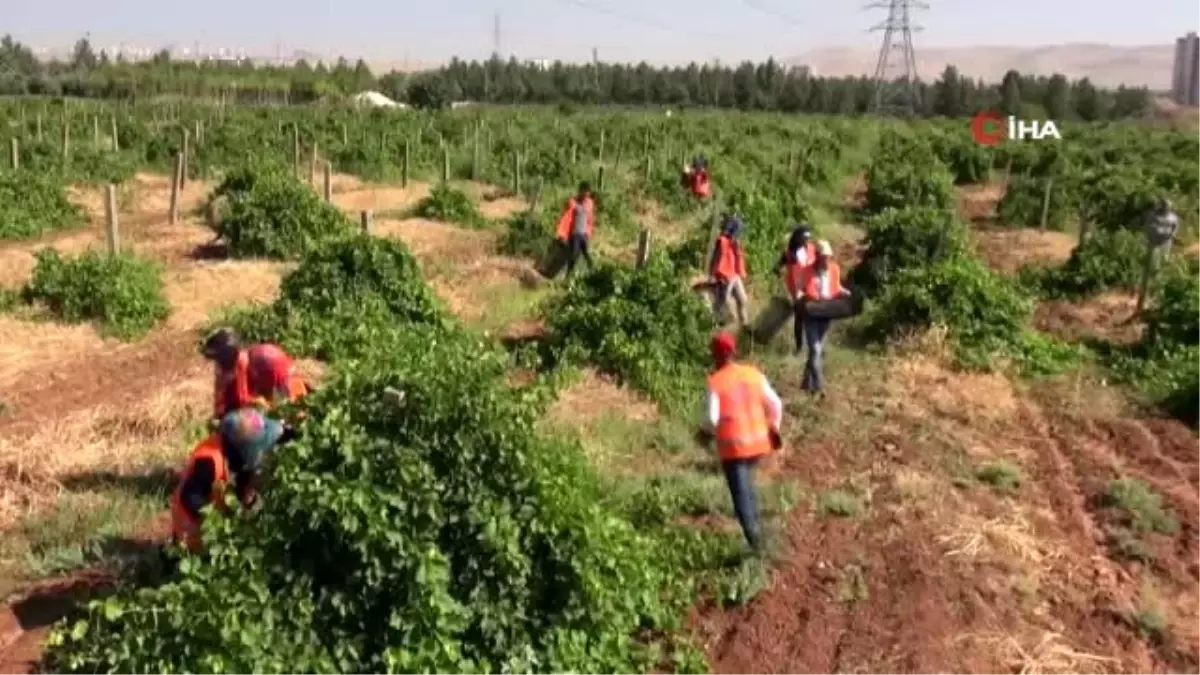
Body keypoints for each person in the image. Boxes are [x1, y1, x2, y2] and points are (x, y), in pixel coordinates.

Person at [699, 331, 783, 553]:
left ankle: (757, 546)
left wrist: (703, 434)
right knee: (748, 486)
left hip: (734, 448)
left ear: (714, 355)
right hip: (759, 444)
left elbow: (710, 419)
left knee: (741, 495)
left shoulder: (715, 382)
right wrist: (774, 427)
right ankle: (759, 533)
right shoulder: (753, 373)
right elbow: (776, 403)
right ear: (734, 351)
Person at [169, 408, 290, 553]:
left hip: (213, 508)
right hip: (193, 529)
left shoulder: (233, 444)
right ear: (245, 450)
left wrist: (289, 433)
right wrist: (218, 523)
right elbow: (190, 497)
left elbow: (273, 432)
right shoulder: (208, 461)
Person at [202, 328, 309, 423]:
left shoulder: (244, 363)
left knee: (285, 415)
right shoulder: (240, 361)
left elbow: (242, 400)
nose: (217, 364)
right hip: (275, 379)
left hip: (281, 381)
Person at [798, 241, 850, 395]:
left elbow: (836, 287)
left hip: (826, 313)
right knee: (815, 349)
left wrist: (845, 293)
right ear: (818, 257)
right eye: (824, 258)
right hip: (811, 313)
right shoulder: (807, 271)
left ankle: (806, 383)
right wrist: (801, 298)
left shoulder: (834, 269)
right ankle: (820, 388)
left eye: (828, 258)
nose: (826, 260)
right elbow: (801, 289)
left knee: (818, 351)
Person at [773, 224, 817, 352]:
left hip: (810, 286)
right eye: (805, 238)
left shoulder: (811, 249)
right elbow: (777, 267)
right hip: (796, 289)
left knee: (810, 315)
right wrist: (779, 274)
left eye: (808, 238)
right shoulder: (789, 253)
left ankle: (811, 343)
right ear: (798, 238)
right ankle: (799, 347)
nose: (807, 240)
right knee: (800, 318)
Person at [708, 215, 750, 326]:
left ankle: (744, 324)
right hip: (725, 275)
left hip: (735, 275)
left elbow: (739, 259)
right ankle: (719, 322)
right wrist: (714, 275)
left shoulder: (736, 243)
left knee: (743, 299)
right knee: (723, 301)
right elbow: (717, 259)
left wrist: (741, 273)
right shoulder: (722, 242)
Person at [555, 181, 596, 279]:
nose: (586, 194)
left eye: (588, 192)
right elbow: (565, 218)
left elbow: (590, 219)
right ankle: (568, 276)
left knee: (587, 254)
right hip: (575, 234)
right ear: (580, 191)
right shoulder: (573, 202)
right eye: (584, 192)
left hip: (584, 234)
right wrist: (562, 234)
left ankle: (594, 273)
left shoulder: (590, 203)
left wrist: (589, 232)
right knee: (573, 256)